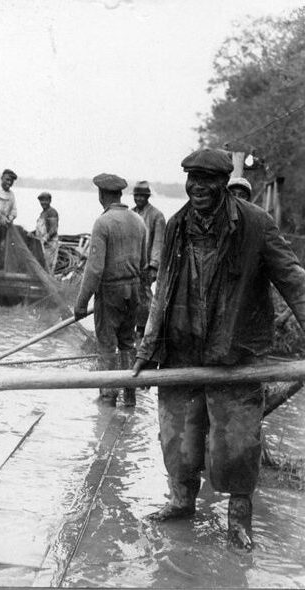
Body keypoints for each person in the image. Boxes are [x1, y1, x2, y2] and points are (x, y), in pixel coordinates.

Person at [133, 148, 305, 550]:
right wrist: (147, 346)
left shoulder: (255, 225)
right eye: (192, 178)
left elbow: (294, 281)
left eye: (207, 180)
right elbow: (162, 294)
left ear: (224, 183)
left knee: (238, 444)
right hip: (180, 351)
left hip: (235, 354)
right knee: (178, 438)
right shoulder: (177, 225)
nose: (198, 187)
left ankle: (238, 522)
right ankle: (181, 503)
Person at [74, 173, 147, 407]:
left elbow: (94, 269)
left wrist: (81, 303)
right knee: (128, 343)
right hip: (134, 290)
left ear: (101, 194)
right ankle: (130, 397)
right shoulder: (138, 221)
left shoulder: (103, 223)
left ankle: (107, 398)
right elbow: (144, 264)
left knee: (106, 345)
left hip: (111, 292)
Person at [132, 180, 166, 341]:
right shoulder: (131, 214)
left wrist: (154, 266)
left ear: (147, 197)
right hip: (131, 265)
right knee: (132, 298)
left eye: (142, 196)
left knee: (145, 299)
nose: (138, 199)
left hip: (146, 266)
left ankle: (145, 330)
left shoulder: (156, 216)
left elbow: (159, 242)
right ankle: (133, 329)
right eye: (136, 195)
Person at [35, 192, 59, 274]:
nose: (43, 203)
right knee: (42, 266)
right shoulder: (42, 213)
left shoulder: (52, 212)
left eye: (46, 200)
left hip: (50, 245)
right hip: (42, 244)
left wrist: (45, 238)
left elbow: (53, 229)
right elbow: (40, 228)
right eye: (41, 201)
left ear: (50, 201)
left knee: (48, 267)